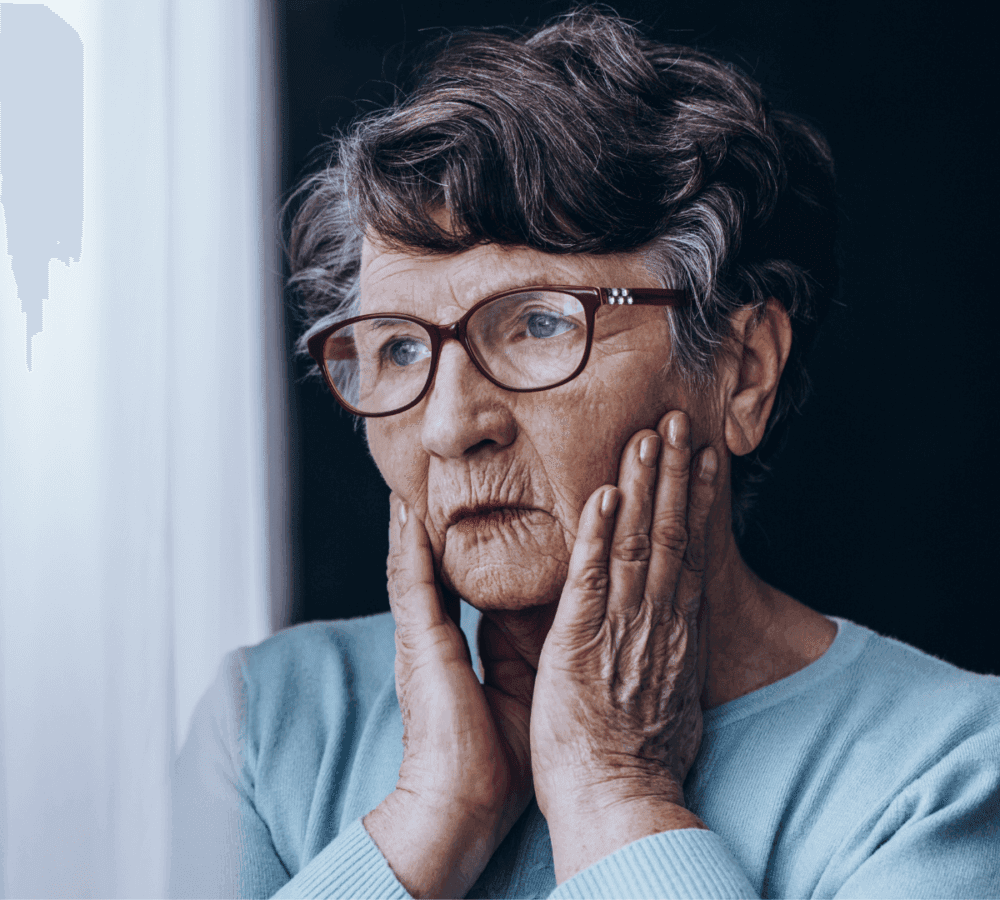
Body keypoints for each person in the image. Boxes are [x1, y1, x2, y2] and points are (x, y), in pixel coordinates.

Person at [170, 9, 1000, 898]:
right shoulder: (266, 723)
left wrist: (617, 792)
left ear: (742, 370)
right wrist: (429, 816)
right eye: (400, 348)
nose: (452, 426)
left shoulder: (947, 773)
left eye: (538, 323)